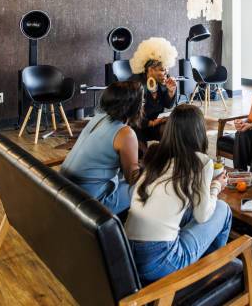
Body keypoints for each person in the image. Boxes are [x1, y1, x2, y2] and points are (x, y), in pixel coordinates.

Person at [125, 104, 231, 284]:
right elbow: (202, 215)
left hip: (129, 255)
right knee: (223, 209)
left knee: (192, 208)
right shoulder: (201, 161)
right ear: (199, 131)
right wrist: (216, 186)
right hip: (162, 262)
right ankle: (211, 272)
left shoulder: (155, 154)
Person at [61, 81, 143, 215]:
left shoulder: (97, 117)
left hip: (65, 191)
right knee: (146, 187)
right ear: (134, 107)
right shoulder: (126, 134)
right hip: (88, 204)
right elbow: (132, 178)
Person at [128, 37, 178, 143]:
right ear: (150, 70)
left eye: (167, 70)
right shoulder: (136, 84)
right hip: (136, 127)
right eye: (162, 70)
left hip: (155, 122)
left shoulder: (163, 80)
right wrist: (153, 123)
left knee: (174, 130)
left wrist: (171, 91)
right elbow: (132, 116)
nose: (166, 74)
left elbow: (168, 105)